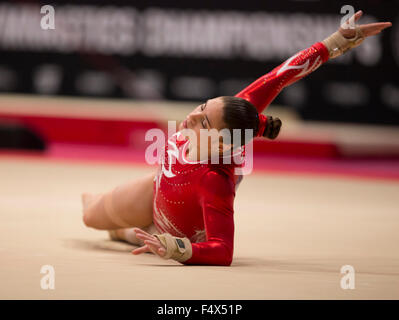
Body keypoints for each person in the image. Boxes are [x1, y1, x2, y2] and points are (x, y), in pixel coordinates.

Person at [82, 11, 391, 266]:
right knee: (89, 216)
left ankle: (132, 232)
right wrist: (337, 41)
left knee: (138, 232)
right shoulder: (230, 115)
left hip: (177, 226)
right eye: (202, 106)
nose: (189, 118)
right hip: (157, 188)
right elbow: (280, 76)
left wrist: (181, 249)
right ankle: (129, 229)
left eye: (202, 121)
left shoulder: (214, 180)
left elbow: (223, 251)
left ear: (220, 144)